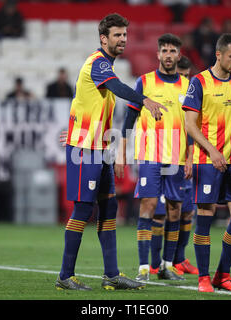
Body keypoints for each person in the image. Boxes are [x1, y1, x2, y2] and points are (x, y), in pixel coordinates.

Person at [56, 13, 167, 291]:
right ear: (103, 38)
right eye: (117, 35)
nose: (123, 40)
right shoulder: (98, 63)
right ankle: (64, 276)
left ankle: (112, 275)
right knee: (83, 209)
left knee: (109, 208)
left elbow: (85, 101)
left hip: (99, 148)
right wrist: (144, 99)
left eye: (125, 35)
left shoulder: (105, 65)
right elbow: (116, 88)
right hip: (84, 150)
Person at [183, 33, 231, 293]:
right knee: (205, 215)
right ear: (219, 55)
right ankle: (203, 277)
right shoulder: (199, 81)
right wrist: (212, 151)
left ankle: (222, 274)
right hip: (207, 161)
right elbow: (190, 125)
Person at [117, 33, 191, 282]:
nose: (169, 55)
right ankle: (143, 268)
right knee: (148, 207)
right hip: (150, 154)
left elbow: (192, 125)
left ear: (178, 55)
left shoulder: (187, 86)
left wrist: (190, 155)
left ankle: (167, 267)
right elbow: (130, 117)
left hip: (177, 157)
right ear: (158, 54)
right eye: (165, 51)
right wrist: (122, 147)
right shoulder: (144, 82)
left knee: (174, 210)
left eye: (173, 51)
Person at [149, 56, 198, 277]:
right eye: (182, 75)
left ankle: (179, 259)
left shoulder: (193, 93)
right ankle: (156, 262)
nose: (185, 80)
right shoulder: (163, 92)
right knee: (162, 212)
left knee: (186, 212)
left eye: (188, 76)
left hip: (187, 159)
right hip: (166, 157)